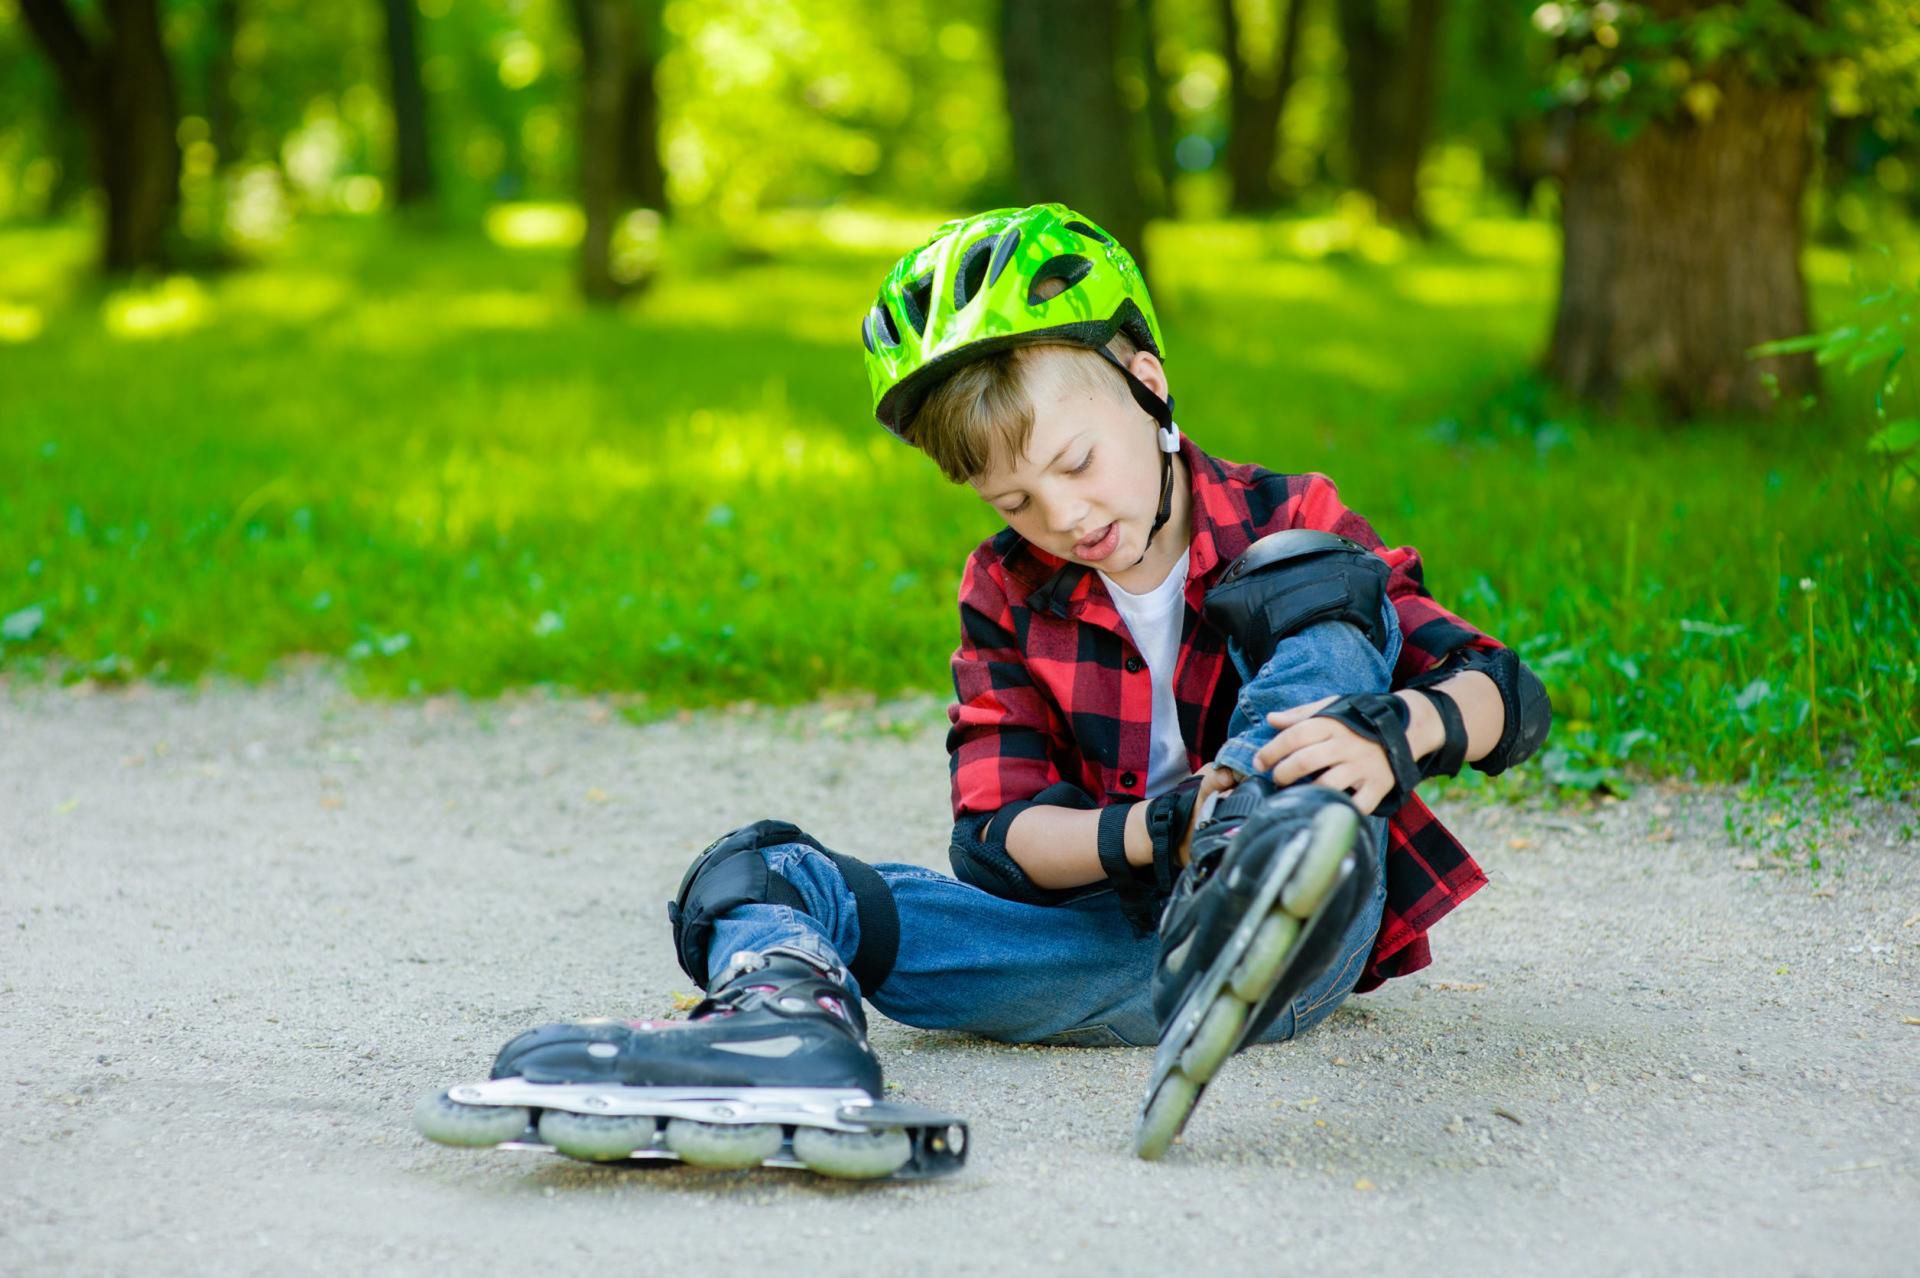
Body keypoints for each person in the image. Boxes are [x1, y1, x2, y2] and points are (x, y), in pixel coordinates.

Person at [419, 204, 1550, 1175]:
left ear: (1147, 384)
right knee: (762, 871)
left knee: (1311, 581)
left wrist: (1392, 734)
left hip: (1308, 933)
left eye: (1076, 463)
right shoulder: (1008, 587)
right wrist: (1166, 827)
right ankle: (781, 1027)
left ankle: (1265, 855)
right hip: (1114, 951)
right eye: (1013, 500)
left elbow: (1502, 693)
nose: (1062, 516)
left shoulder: (1282, 511)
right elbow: (999, 840)